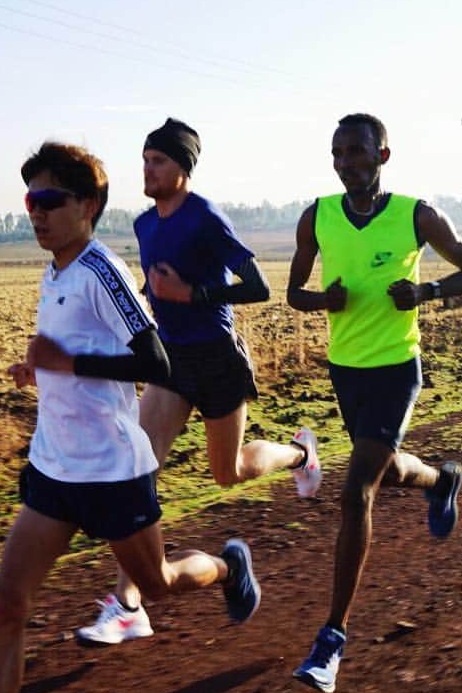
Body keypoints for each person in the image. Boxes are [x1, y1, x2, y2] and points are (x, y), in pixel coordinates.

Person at [0, 142, 261, 693]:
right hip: (55, 465)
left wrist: (68, 364)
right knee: (7, 604)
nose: (36, 214)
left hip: (112, 473)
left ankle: (227, 567)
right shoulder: (54, 272)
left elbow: (159, 363)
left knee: (158, 587)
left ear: (88, 206)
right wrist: (42, 369)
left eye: (49, 202)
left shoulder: (103, 268)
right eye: (30, 202)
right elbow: (72, 354)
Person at [75, 117, 321, 646]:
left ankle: (300, 455)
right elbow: (152, 287)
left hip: (217, 359)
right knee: (135, 470)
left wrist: (196, 296)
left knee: (227, 472)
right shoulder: (145, 225)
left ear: (182, 169)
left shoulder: (206, 217)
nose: (148, 168)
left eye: (158, 161)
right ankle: (127, 605)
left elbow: (256, 285)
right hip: (171, 362)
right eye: (144, 159)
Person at [286, 113, 462, 693]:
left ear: (383, 156)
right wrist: (325, 298)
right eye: (337, 153)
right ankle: (441, 480)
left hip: (398, 369)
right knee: (388, 468)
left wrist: (425, 291)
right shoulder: (316, 216)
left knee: (356, 492)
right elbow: (295, 293)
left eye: (355, 152)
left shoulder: (416, 214)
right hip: (346, 371)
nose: (345, 162)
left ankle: (332, 638)